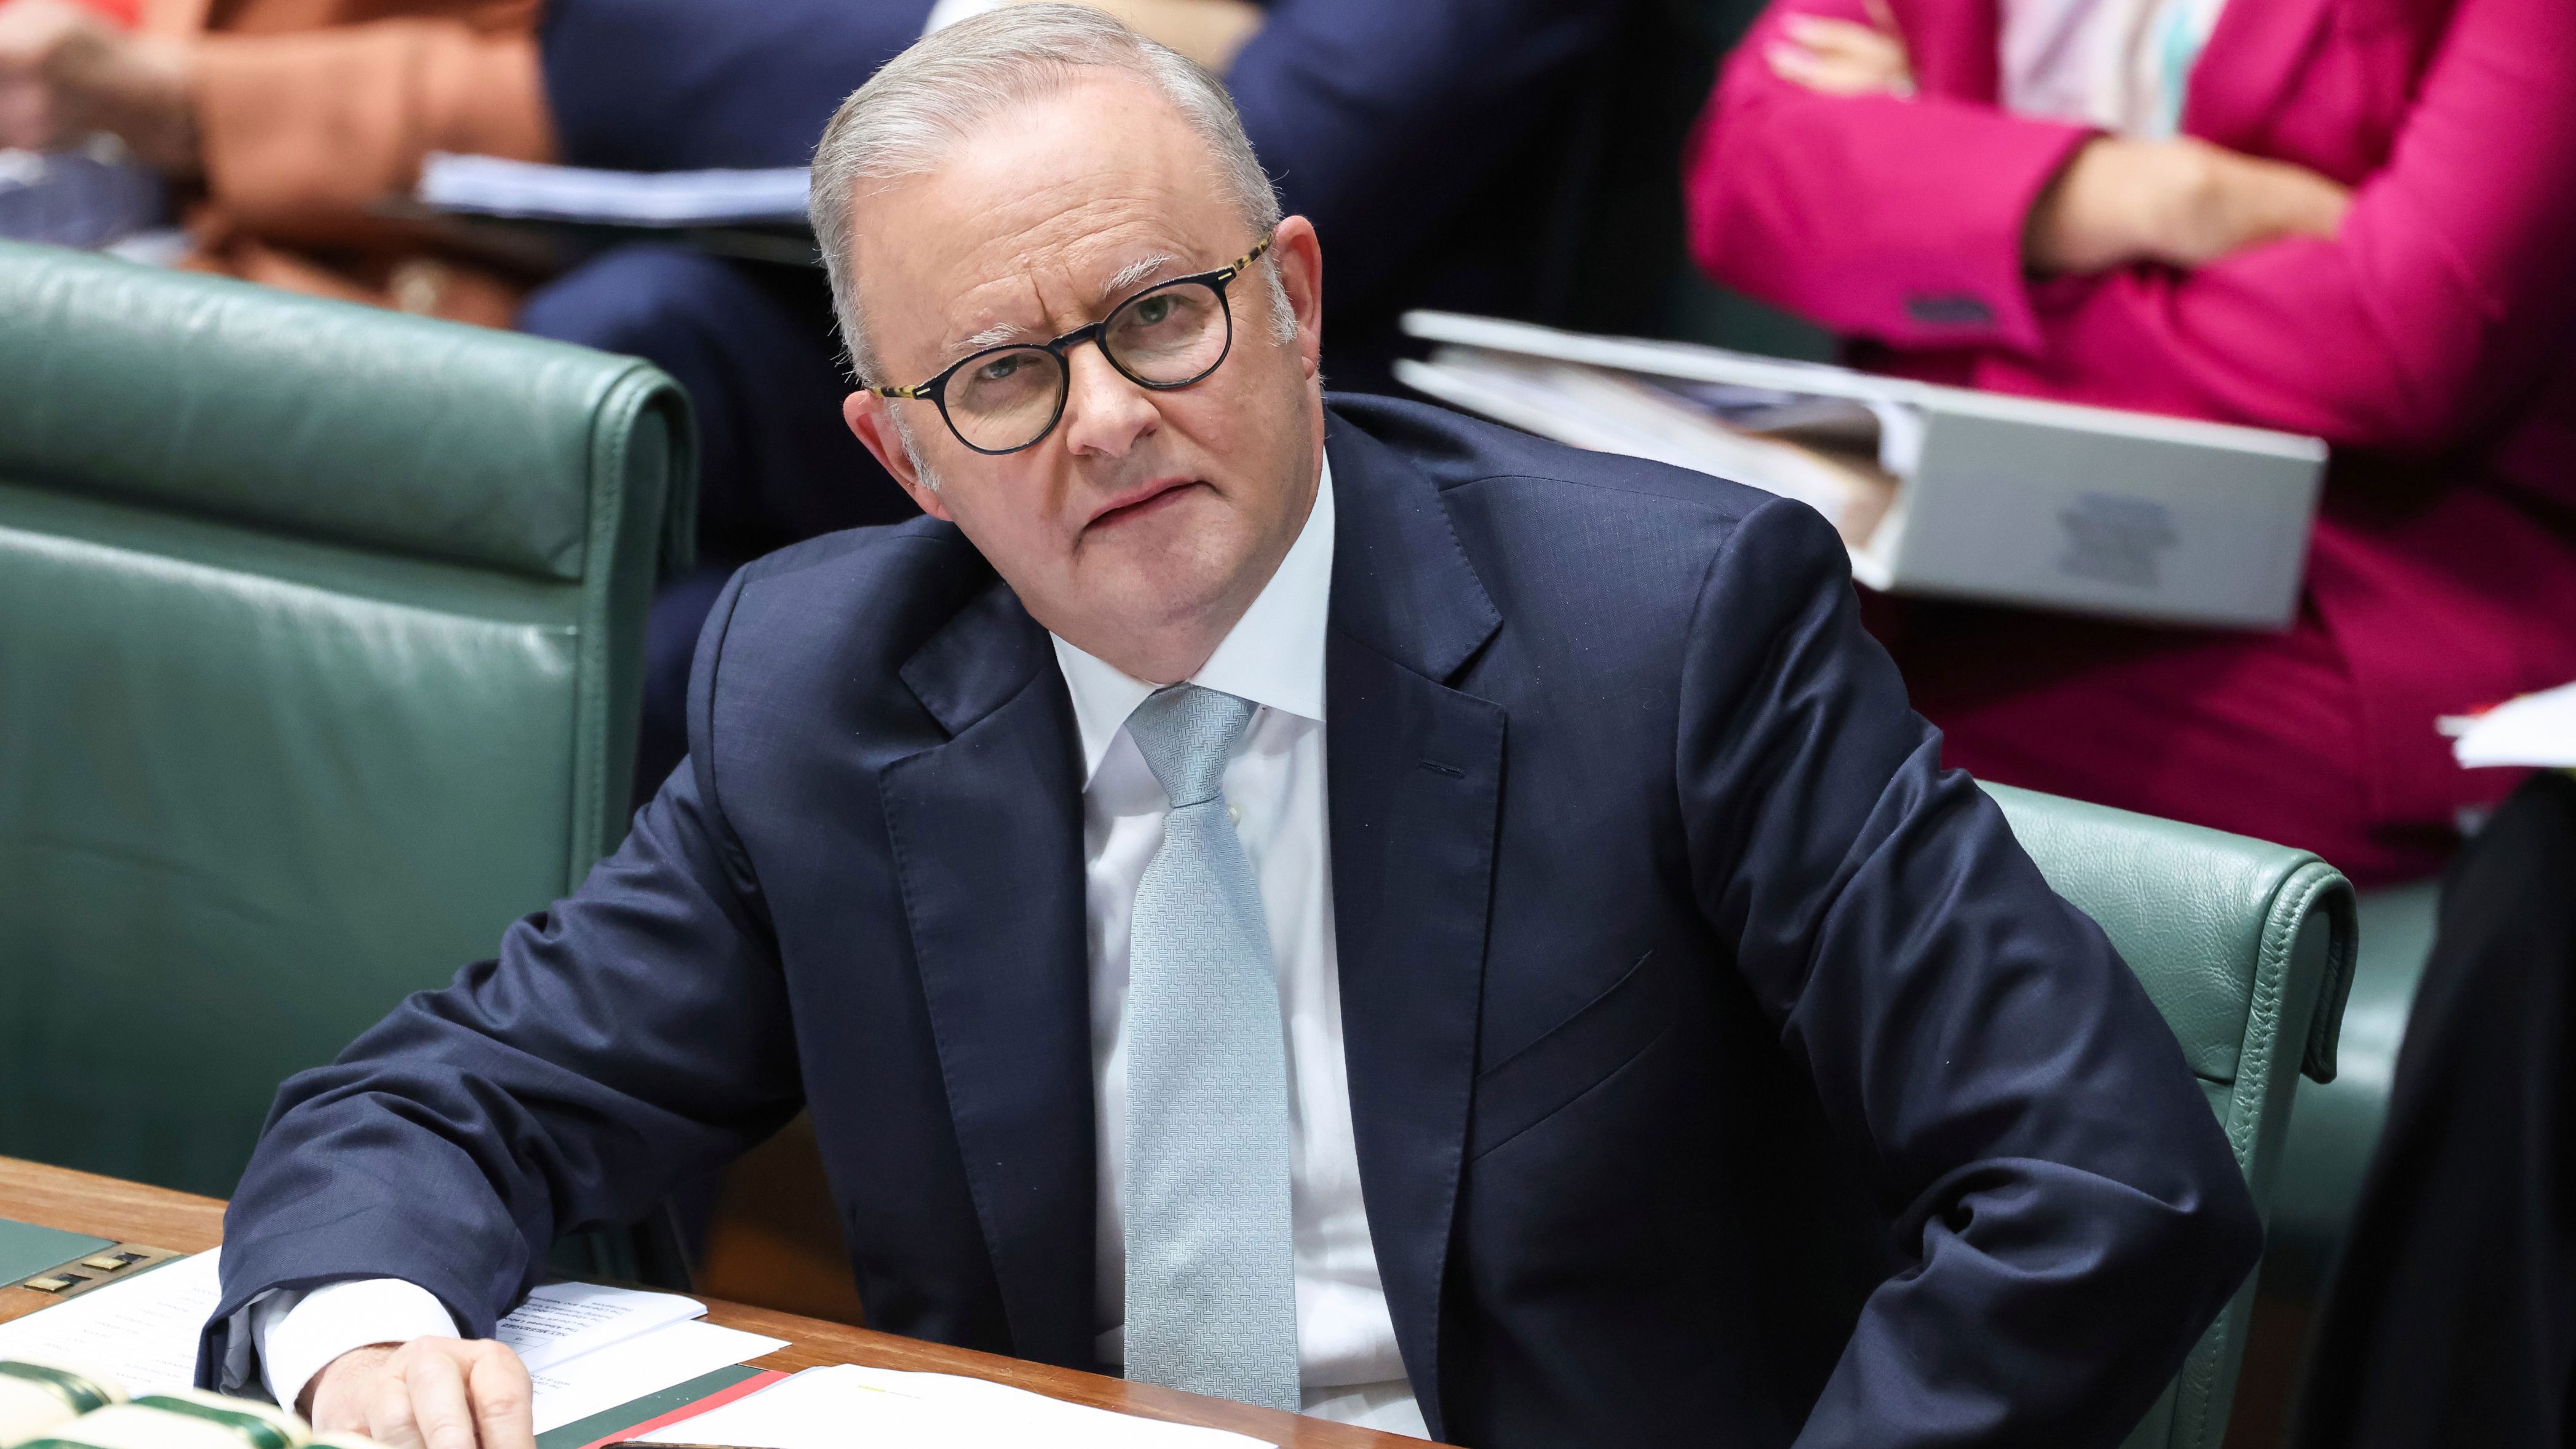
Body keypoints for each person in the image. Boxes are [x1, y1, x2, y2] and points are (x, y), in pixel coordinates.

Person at [200, 10, 2262, 1448]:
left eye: (1158, 316)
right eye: (1001, 377)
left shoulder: (1669, 630)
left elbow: (2099, 1175)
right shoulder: (817, 690)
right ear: (902, 456)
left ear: (1288, 295)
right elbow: (445, 1097)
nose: (1104, 419)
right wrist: (366, 1325)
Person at [1682, 0, 2576, 886]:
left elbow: (2398, 346)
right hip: (1944, 549)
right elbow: (1746, 170)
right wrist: (2168, 197)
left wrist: (1956, 205)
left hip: (2352, 591)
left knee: (1792, 768)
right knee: (1686, 693)